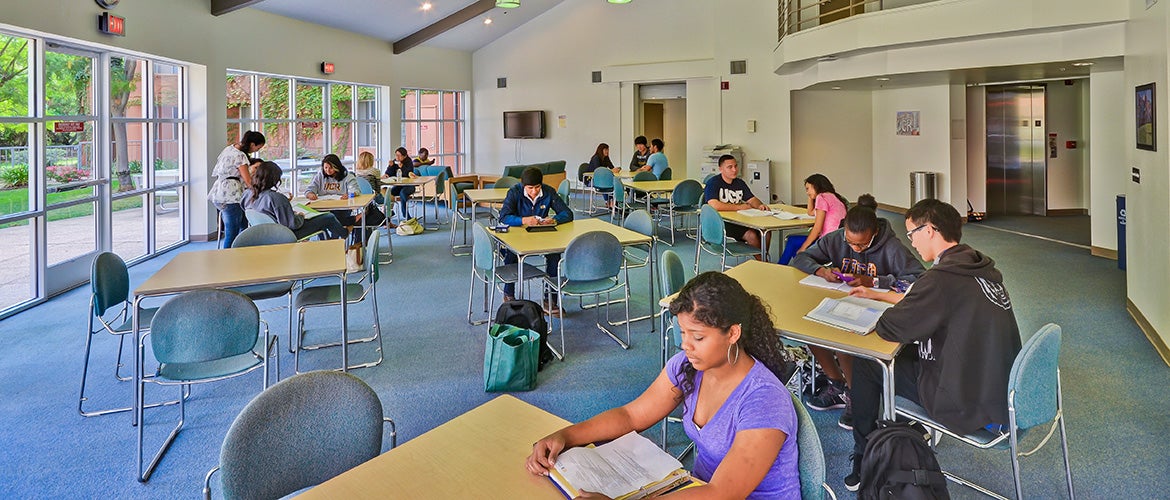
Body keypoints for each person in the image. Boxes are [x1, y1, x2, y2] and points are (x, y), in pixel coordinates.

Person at [526, 272, 800, 499]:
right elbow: (632, 415)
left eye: (698, 337)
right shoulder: (689, 366)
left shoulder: (764, 400)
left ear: (733, 333)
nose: (685, 345)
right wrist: (565, 436)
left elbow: (723, 493)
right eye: (683, 333)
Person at [841, 198, 1022, 492]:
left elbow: (891, 327)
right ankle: (904, 429)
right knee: (905, 353)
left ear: (931, 230)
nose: (911, 242)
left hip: (965, 399)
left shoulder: (940, 279)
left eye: (912, 233)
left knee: (869, 362)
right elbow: (936, 310)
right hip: (998, 389)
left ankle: (865, 456)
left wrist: (889, 308)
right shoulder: (976, 265)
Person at [789, 194, 926, 431]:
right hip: (843, 303)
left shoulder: (892, 248)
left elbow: (918, 279)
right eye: (849, 242)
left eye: (861, 245)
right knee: (810, 330)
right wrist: (822, 271)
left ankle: (857, 396)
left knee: (843, 340)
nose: (854, 248)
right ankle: (837, 383)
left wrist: (874, 281)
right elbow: (802, 257)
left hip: (876, 309)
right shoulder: (836, 239)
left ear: (874, 234)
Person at [498, 167, 574, 314]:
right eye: (530, 188)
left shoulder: (548, 192)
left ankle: (549, 300)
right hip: (518, 235)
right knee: (511, 255)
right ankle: (509, 294)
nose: (534, 191)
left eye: (537, 187)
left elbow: (567, 213)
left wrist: (554, 220)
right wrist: (523, 220)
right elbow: (504, 217)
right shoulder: (514, 192)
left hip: (542, 235)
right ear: (523, 186)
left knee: (555, 256)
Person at [243, 161, 347, 240]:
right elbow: (292, 224)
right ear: (275, 179)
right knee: (328, 217)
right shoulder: (277, 198)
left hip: (262, 234)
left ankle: (329, 243)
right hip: (286, 235)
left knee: (322, 220)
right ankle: (345, 234)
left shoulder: (247, 194)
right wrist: (300, 216)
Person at [306, 154, 386, 244]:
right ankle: (334, 239)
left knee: (331, 218)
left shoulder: (346, 176)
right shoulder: (319, 176)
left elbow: (355, 190)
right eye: (325, 168)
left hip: (341, 208)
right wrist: (310, 194)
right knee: (319, 219)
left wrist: (349, 194)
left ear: (337, 167)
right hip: (323, 207)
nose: (328, 170)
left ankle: (332, 242)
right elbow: (310, 189)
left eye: (331, 168)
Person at [702, 154, 771, 254]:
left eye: (735, 166)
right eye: (730, 167)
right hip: (722, 221)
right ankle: (762, 263)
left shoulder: (740, 183)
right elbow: (714, 205)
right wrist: (738, 207)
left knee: (766, 231)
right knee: (751, 235)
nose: (734, 170)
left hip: (740, 219)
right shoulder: (713, 183)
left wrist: (760, 205)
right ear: (721, 169)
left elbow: (751, 199)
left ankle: (763, 257)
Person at [209, 130, 265, 248]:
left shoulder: (229, 149)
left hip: (219, 192)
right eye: (257, 148)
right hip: (231, 196)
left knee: (243, 226)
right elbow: (248, 180)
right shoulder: (240, 155)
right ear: (252, 144)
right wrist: (261, 193)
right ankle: (228, 258)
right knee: (232, 232)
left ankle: (240, 254)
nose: (256, 151)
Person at [795, 173, 849, 254]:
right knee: (795, 243)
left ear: (816, 186)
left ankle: (781, 265)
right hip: (839, 240)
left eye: (808, 189)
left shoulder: (822, 197)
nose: (807, 192)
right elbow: (810, 212)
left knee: (792, 241)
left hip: (827, 241)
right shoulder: (834, 197)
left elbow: (817, 229)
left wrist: (803, 248)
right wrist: (811, 195)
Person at [384, 147, 417, 220]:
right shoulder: (395, 161)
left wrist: (402, 167)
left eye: (399, 155)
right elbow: (390, 173)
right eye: (396, 155)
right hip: (399, 185)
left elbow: (408, 174)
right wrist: (390, 166)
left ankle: (406, 215)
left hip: (409, 185)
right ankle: (389, 215)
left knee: (403, 193)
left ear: (404, 156)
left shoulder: (409, 162)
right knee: (389, 193)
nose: (397, 157)